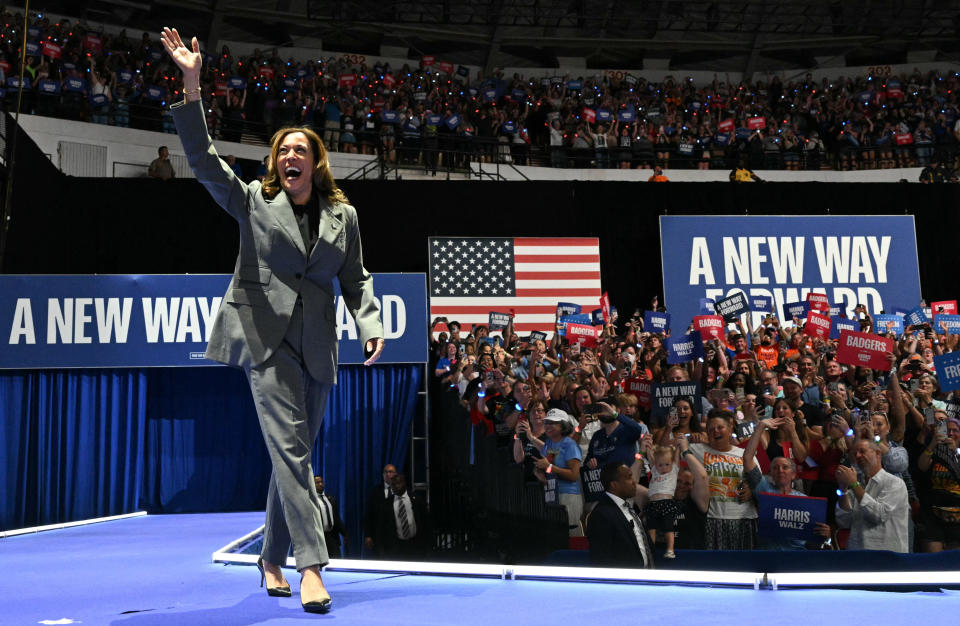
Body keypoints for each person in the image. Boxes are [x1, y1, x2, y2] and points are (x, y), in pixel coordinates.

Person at [161, 27, 385, 615]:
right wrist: (191, 84)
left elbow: (357, 278)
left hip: (317, 345)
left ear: (315, 162)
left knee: (297, 452)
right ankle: (312, 567)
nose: (290, 157)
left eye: (299, 151)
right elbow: (204, 161)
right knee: (291, 451)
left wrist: (370, 324)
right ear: (275, 162)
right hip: (264, 339)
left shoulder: (344, 214)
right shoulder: (254, 201)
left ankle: (270, 558)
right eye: (282, 150)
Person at [818, 438, 909, 553]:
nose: (858, 456)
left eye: (862, 451)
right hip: (857, 554)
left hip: (887, 555)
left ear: (877, 453)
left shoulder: (894, 483)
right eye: (855, 453)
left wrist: (854, 484)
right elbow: (844, 521)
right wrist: (843, 489)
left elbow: (878, 515)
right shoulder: (856, 487)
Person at [586, 462, 655, 568]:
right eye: (629, 477)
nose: (634, 482)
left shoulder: (628, 508)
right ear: (614, 484)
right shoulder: (601, 515)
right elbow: (601, 561)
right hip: (625, 581)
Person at [533, 409, 584, 536]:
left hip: (568, 496)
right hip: (551, 495)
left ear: (563, 425)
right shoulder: (548, 444)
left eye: (553, 423)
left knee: (570, 537)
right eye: (547, 422)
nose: (548, 426)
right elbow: (543, 465)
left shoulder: (570, 445)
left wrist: (549, 467)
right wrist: (538, 472)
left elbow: (573, 475)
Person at [376, 473, 430, 560]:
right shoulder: (386, 504)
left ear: (404, 483)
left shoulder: (417, 499)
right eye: (393, 484)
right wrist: (381, 550)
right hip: (395, 547)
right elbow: (380, 527)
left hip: (416, 545)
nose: (396, 486)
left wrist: (428, 546)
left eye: (399, 483)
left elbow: (426, 522)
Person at [645, 445, 681, 558]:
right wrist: (647, 448)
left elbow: (676, 458)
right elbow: (651, 459)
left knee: (668, 527)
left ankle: (670, 549)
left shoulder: (674, 469)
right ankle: (651, 549)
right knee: (651, 527)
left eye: (667, 464)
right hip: (653, 504)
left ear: (672, 463)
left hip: (667, 503)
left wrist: (678, 447)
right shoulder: (655, 470)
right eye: (660, 465)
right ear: (656, 465)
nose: (663, 468)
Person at [364, 464, 398, 554]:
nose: (387, 474)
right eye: (385, 472)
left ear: (396, 474)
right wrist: (368, 535)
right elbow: (368, 515)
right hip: (379, 536)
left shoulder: (400, 491)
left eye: (390, 472)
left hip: (397, 536)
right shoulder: (375, 492)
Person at [314, 475, 349, 559]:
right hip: (319, 538)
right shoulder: (311, 500)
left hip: (332, 536)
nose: (320, 484)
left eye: (322, 482)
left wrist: (344, 533)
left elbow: (336, 518)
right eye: (317, 482)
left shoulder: (330, 498)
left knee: (336, 561)